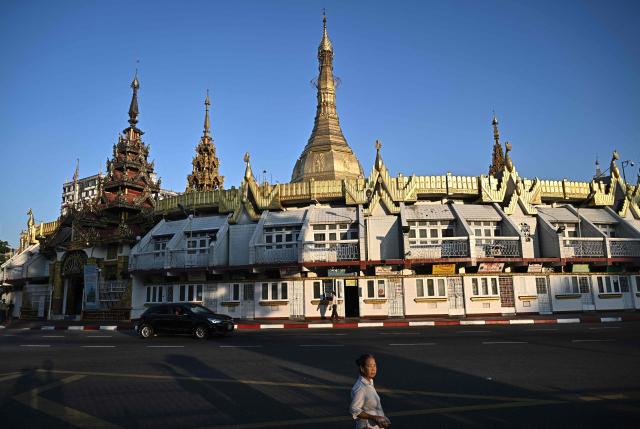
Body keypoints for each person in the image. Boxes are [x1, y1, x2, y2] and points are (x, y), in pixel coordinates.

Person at [349, 354, 391, 428]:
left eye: (374, 365)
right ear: (362, 368)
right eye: (369, 366)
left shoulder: (369, 382)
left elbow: (371, 407)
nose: (373, 369)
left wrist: (383, 417)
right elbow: (354, 409)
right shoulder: (361, 388)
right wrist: (374, 418)